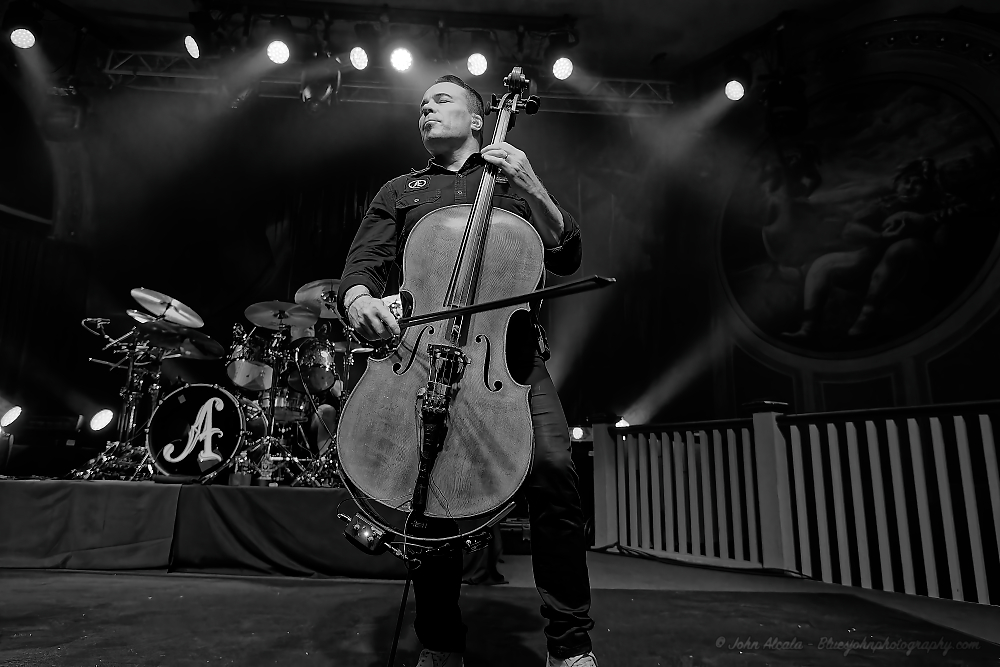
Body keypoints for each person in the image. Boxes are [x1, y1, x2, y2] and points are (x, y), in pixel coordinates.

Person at [337, 74, 596, 667]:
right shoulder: (402, 189)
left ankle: (570, 644)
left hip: (509, 361)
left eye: (441, 101)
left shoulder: (511, 185)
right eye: (421, 105)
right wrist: (358, 300)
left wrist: (531, 184)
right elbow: (364, 263)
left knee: (556, 475)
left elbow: (567, 255)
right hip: (423, 356)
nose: (425, 109)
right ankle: (440, 641)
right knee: (427, 493)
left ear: (479, 119)